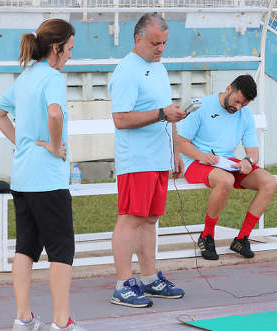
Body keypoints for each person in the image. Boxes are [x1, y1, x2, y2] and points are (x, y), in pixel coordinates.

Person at [0, 19, 87, 331]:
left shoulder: (26, 77)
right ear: (56, 49)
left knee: (26, 248)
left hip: (23, 178)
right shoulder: (51, 77)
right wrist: (55, 146)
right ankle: (62, 323)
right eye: (70, 49)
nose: (71, 55)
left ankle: (24, 319)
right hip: (48, 179)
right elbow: (55, 112)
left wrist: (21, 140)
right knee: (61, 250)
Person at [109, 13, 187, 309]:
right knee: (130, 218)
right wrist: (160, 115)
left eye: (164, 43)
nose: (160, 49)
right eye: (155, 43)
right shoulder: (127, 71)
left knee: (150, 220)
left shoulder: (159, 68)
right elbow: (121, 119)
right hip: (137, 159)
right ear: (138, 39)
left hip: (159, 156)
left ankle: (149, 277)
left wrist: (175, 151)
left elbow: (167, 110)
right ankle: (122, 283)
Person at [177, 75, 277, 260]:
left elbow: (253, 151)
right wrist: (202, 157)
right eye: (237, 101)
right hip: (196, 162)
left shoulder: (244, 114)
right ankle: (207, 236)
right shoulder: (201, 106)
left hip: (226, 163)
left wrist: (248, 161)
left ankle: (241, 239)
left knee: (269, 182)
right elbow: (181, 142)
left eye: (243, 104)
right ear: (229, 88)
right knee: (226, 180)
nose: (238, 107)